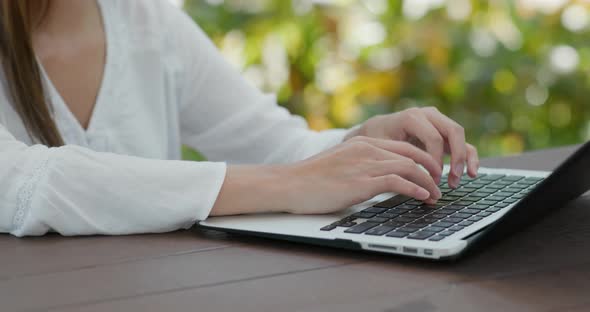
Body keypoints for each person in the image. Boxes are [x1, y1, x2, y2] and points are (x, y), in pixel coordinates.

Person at [0, 0, 479, 237]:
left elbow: (274, 146)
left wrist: (366, 144)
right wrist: (286, 184)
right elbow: (25, 185)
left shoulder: (145, 18)